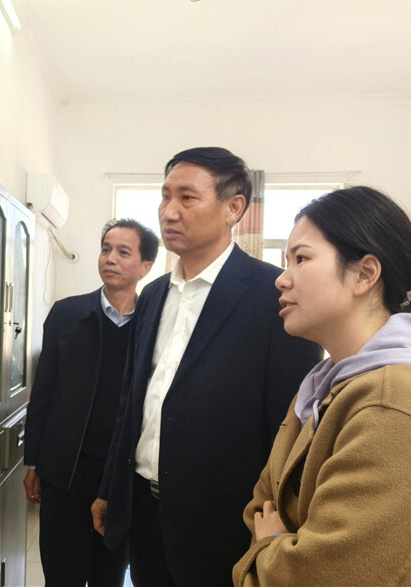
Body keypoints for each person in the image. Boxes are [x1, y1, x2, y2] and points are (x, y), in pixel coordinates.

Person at [91, 147, 323, 586]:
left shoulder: (273, 295)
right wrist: (110, 490)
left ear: (233, 208)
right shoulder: (153, 294)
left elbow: (290, 422)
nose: (169, 211)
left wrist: (280, 517)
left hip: (225, 521)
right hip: (143, 509)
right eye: (165, 197)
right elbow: (133, 402)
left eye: (187, 198)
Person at [233, 186, 411, 587]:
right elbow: (261, 507)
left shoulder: (398, 406)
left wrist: (271, 546)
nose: (282, 279)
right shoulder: (325, 384)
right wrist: (280, 547)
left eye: (301, 259)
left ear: (365, 273)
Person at [24, 218, 159, 587]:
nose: (110, 258)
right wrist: (33, 460)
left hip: (121, 476)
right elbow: (43, 392)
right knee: (61, 575)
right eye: (105, 249)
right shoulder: (67, 314)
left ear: (146, 266)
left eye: (123, 252)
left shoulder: (153, 326)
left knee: (109, 575)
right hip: (64, 471)